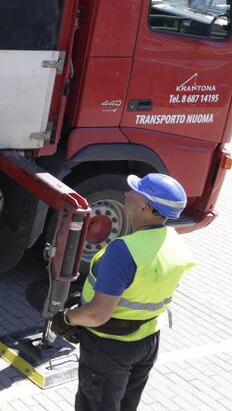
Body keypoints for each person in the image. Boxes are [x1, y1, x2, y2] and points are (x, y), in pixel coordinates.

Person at [51, 174, 193, 411]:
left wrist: (67, 319)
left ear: (146, 207)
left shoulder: (123, 251)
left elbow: (97, 315)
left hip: (109, 347)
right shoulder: (173, 241)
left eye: (135, 191)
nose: (127, 192)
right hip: (147, 341)